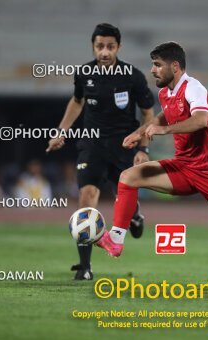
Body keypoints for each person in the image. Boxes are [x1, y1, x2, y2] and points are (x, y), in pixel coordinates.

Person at [96, 42, 208, 291]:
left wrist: (163, 130)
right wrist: (140, 132)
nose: (153, 70)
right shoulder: (166, 92)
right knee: (129, 177)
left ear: (175, 66)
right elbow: (162, 116)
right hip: (185, 168)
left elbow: (200, 120)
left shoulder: (194, 88)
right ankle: (115, 240)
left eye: (158, 65)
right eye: (152, 64)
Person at [46, 23, 155, 280]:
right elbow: (76, 101)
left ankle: (134, 214)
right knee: (86, 197)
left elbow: (148, 112)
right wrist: (61, 131)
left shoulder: (133, 76)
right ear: (93, 46)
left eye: (110, 46)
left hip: (124, 144)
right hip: (92, 144)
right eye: (99, 46)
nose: (104, 52)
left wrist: (143, 147)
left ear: (118, 47)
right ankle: (85, 267)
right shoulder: (84, 73)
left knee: (123, 194)